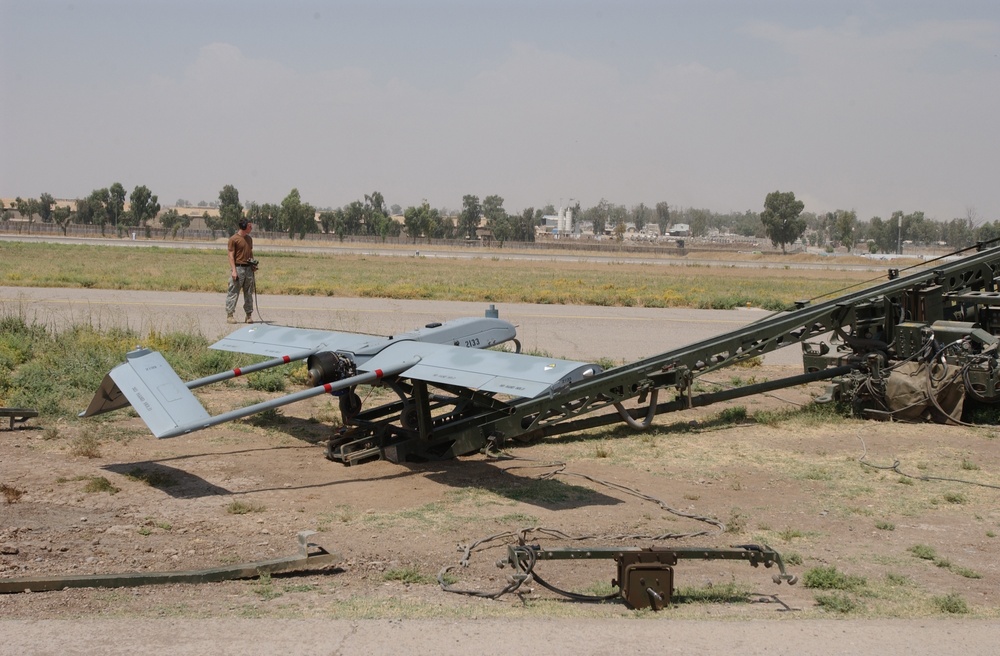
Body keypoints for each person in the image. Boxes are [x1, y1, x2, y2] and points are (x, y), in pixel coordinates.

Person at [225, 219, 256, 323]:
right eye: (249, 226)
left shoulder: (249, 239)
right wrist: (234, 270)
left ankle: (248, 315)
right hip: (238, 268)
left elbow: (250, 253)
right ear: (243, 226)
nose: (251, 228)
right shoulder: (234, 239)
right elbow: (230, 255)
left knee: (248, 293)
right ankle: (230, 315)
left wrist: (253, 264)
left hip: (248, 269)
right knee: (233, 292)